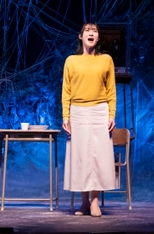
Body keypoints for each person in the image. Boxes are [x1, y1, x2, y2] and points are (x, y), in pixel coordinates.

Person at [62, 22, 117, 218]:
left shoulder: (106, 60)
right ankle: (84, 201)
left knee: (98, 158)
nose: (91, 33)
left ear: (98, 37)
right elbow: (66, 91)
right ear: (80, 36)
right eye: (87, 30)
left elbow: (111, 90)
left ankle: (94, 201)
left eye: (94, 31)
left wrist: (111, 114)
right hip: (78, 112)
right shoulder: (71, 61)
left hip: (100, 111)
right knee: (81, 158)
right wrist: (66, 116)